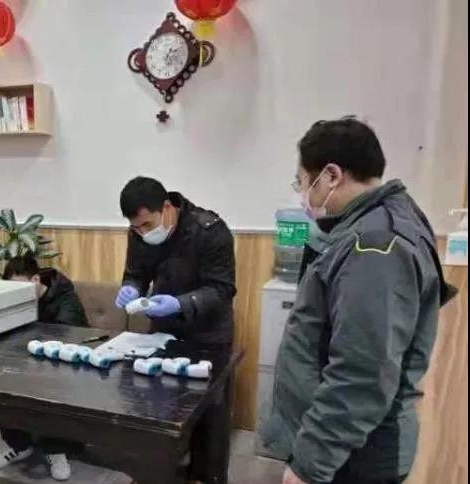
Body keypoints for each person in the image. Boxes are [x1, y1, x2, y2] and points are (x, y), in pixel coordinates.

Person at [258, 117, 457, 484]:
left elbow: (361, 375)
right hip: (346, 447)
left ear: (331, 175)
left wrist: (309, 465)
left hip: (353, 457)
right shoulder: (372, 225)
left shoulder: (376, 246)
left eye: (303, 182)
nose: (303, 196)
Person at [115, 176, 237, 483]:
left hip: (209, 336)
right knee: (159, 412)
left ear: (167, 208)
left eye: (147, 224)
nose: (143, 233)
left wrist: (180, 303)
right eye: (136, 228)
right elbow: (135, 273)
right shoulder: (139, 231)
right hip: (163, 333)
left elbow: (222, 289)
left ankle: (207, 478)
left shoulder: (210, 230)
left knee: (209, 421)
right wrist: (131, 288)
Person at [0, 255, 87, 481]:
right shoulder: (13, 300)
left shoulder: (65, 297)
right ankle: (17, 444)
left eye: (20, 288)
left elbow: (68, 336)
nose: (15, 294)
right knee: (3, 378)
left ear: (35, 280)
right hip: (25, 360)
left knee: (53, 385)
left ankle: (55, 449)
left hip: (62, 363)